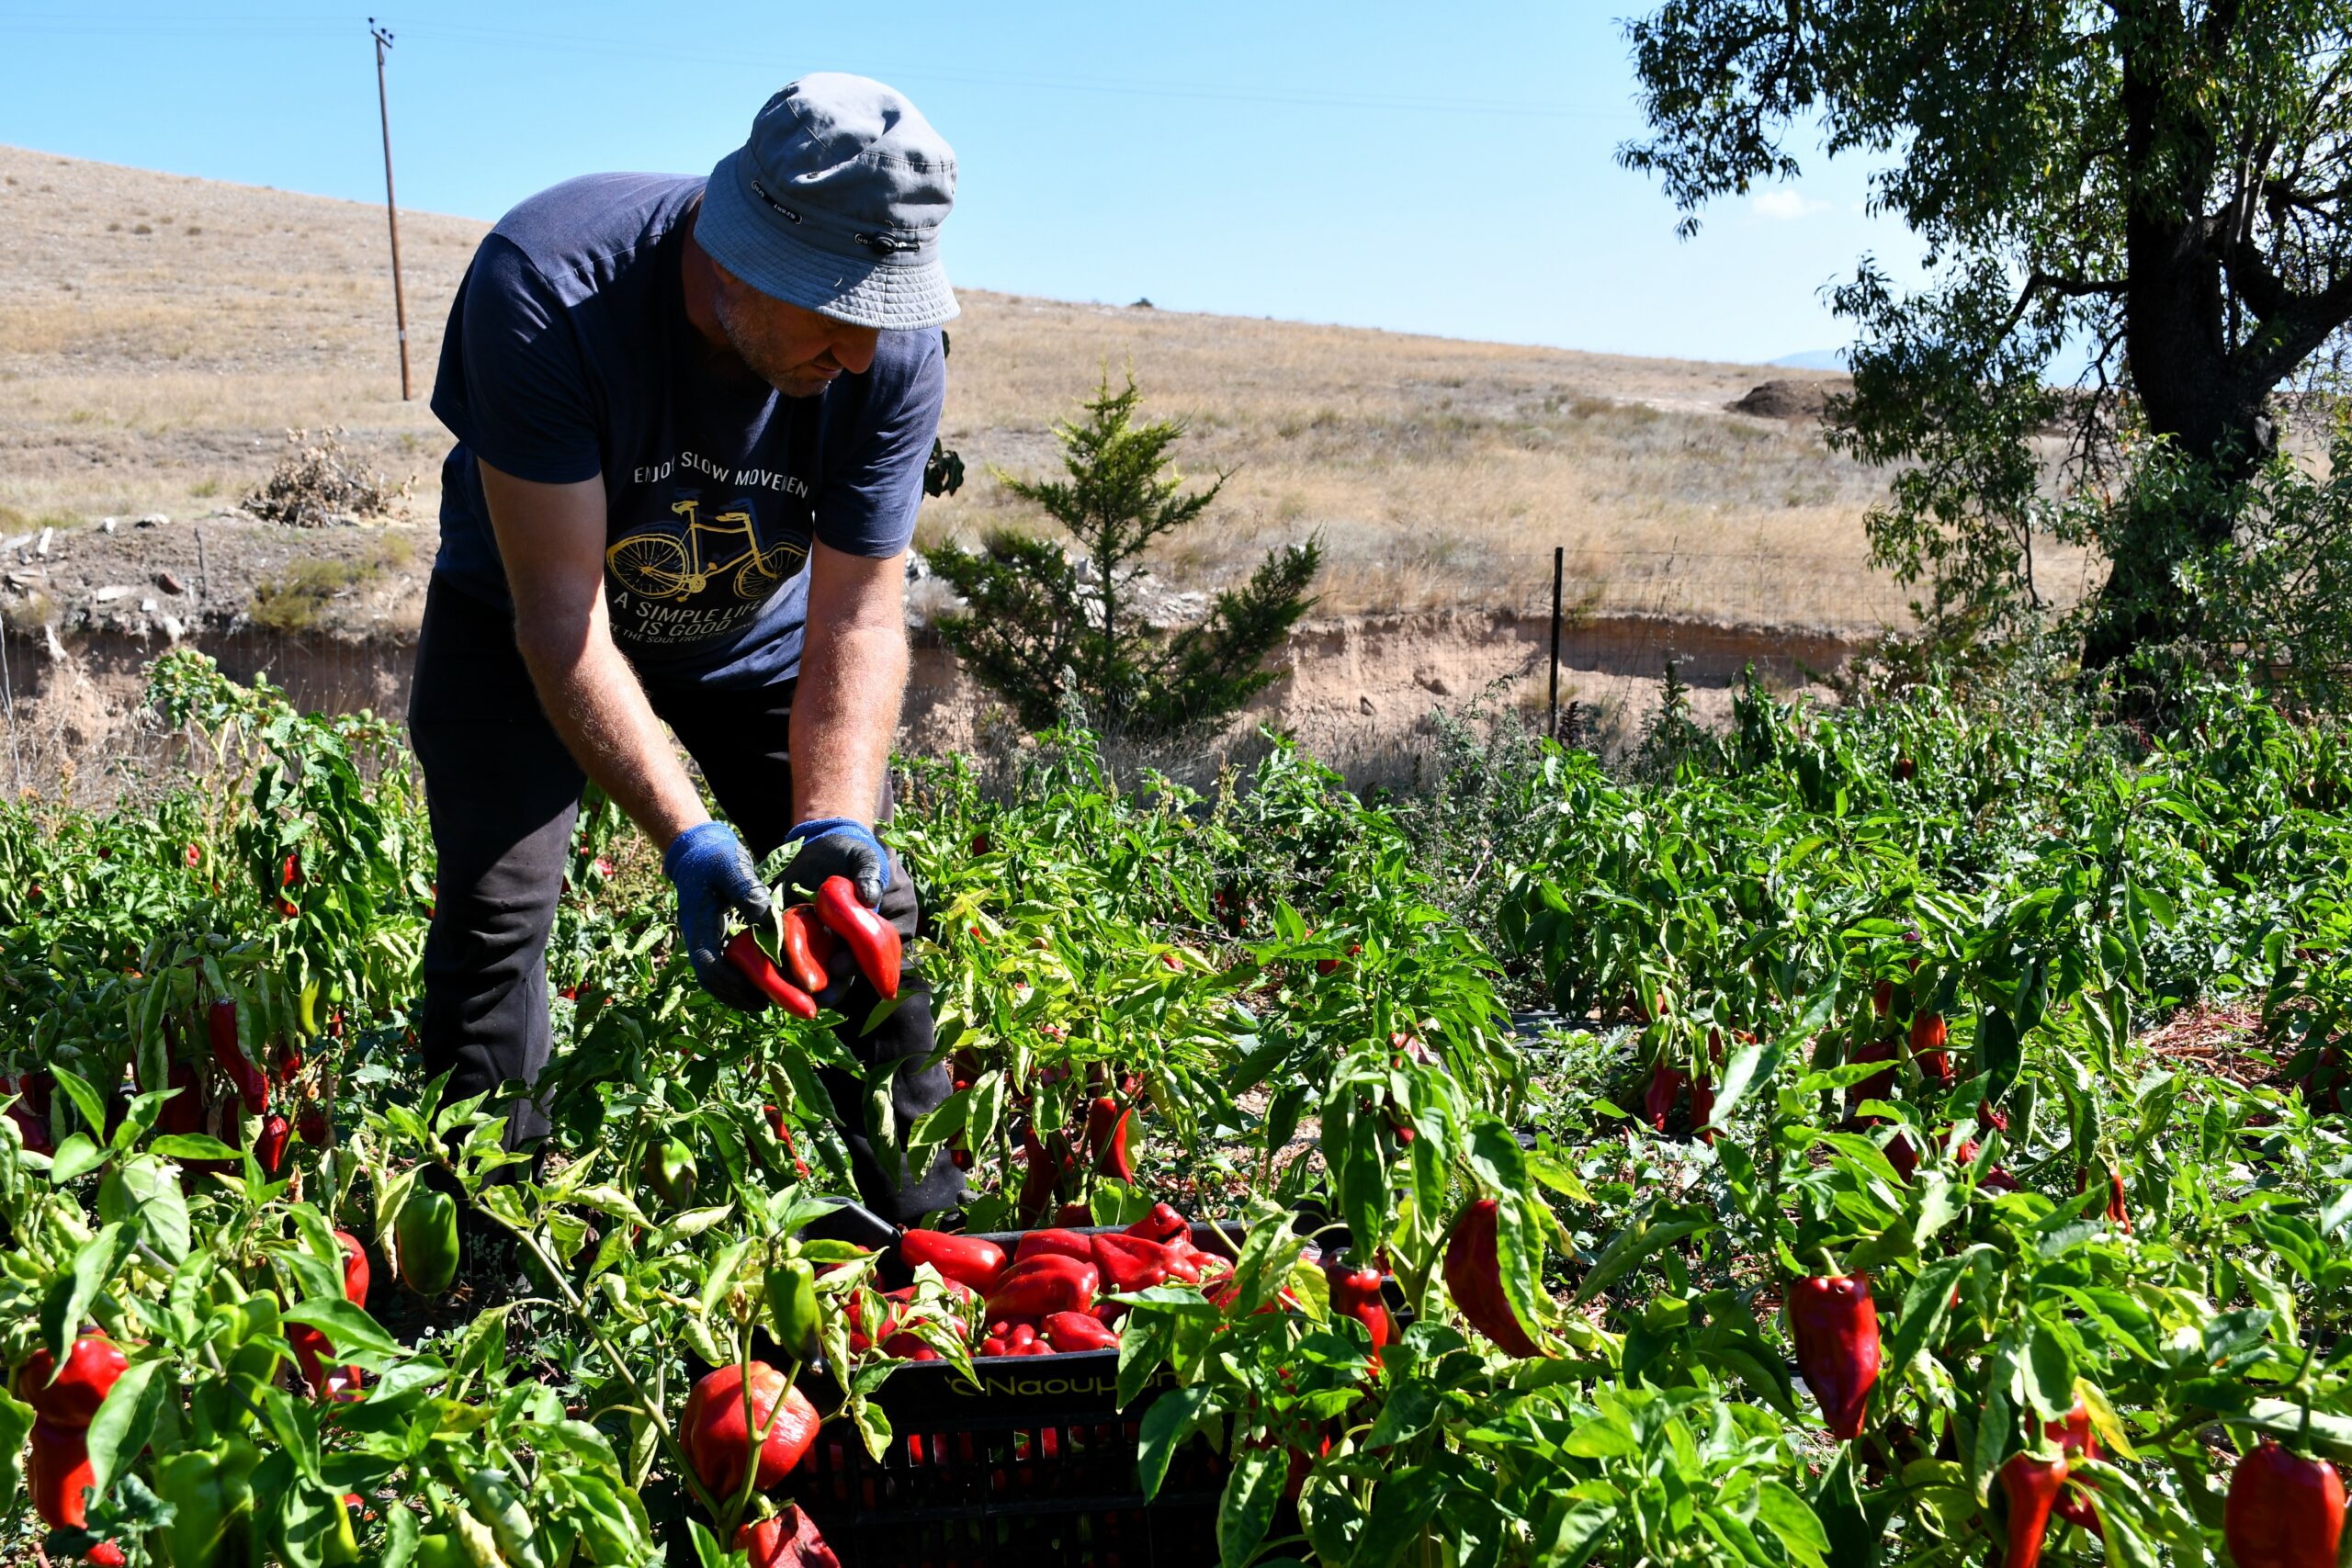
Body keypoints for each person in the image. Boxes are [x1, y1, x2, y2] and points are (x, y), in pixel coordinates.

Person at [410, 73, 962, 1223]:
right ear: (741, 253)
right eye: (838, 311)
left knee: (870, 925)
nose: (862, 355)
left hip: (756, 628)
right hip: (523, 626)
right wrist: (690, 843)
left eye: (885, 311)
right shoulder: (548, 291)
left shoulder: (892, 354)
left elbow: (858, 612)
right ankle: (495, 1261)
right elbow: (563, 625)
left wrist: (835, 827)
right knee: (496, 926)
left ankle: (935, 1251)